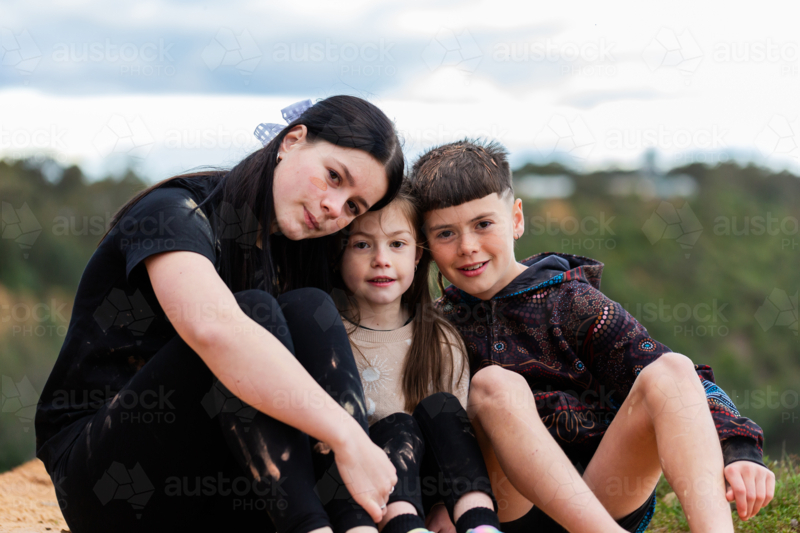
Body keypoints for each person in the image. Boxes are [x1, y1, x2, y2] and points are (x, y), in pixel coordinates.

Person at [34, 95, 406, 533]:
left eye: (354, 207)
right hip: (111, 483)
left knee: (312, 308)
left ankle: (355, 526)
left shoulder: (301, 254)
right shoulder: (176, 211)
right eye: (333, 176)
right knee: (252, 315)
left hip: (222, 482)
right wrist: (348, 436)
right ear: (292, 141)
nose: (334, 208)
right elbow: (213, 329)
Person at [408, 139, 775, 533]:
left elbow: (685, 384)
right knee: (493, 385)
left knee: (671, 368)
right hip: (509, 509)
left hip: (604, 492)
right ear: (424, 244)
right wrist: (438, 501)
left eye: (483, 224)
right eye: (445, 233)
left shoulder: (573, 302)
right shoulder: (433, 325)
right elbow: (421, 423)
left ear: (516, 219)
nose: (467, 247)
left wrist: (739, 447)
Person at [332, 186, 503, 533]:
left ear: (417, 255)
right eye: (362, 245)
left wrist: (442, 506)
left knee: (443, 409)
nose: (381, 259)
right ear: (340, 253)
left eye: (397, 244)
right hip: (361, 499)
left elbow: (455, 442)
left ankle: (480, 524)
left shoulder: (440, 340)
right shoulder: (329, 338)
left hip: (435, 498)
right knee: (397, 425)